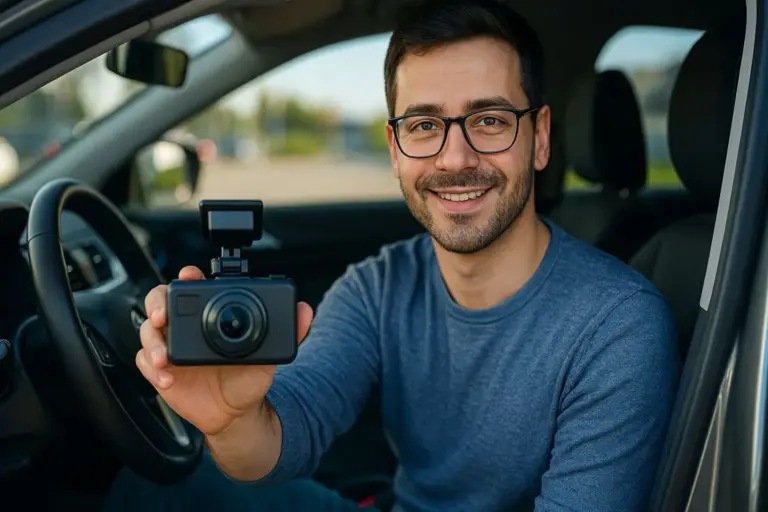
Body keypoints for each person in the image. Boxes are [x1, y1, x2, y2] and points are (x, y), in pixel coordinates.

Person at [104, 0, 680, 510]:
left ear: (541, 137)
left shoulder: (617, 325)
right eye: (425, 125)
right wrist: (231, 422)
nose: (455, 158)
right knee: (165, 480)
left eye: (489, 120)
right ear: (395, 149)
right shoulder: (379, 285)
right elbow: (286, 434)